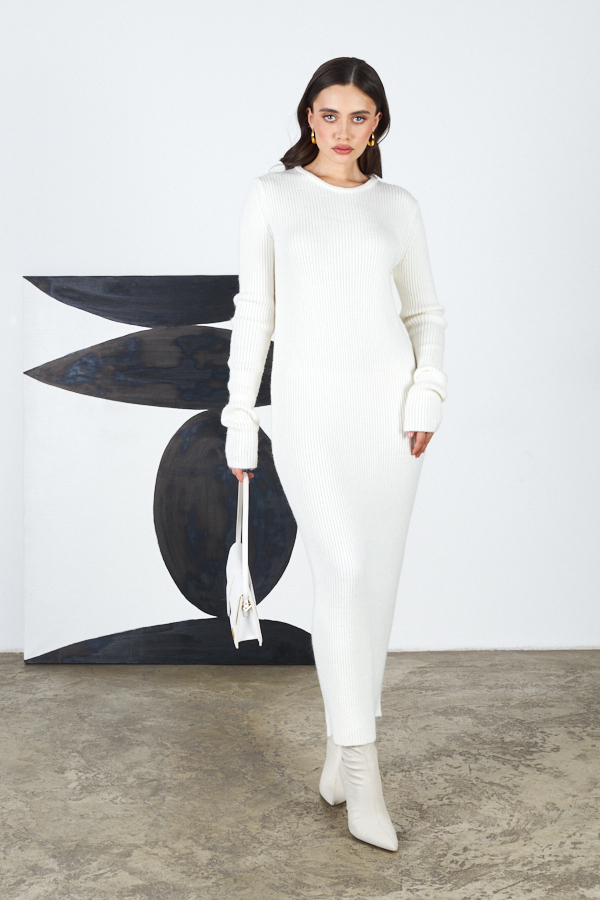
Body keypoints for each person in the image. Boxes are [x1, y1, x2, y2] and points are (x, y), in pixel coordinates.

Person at [221, 57, 448, 851]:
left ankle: (335, 754)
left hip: (389, 417)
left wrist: (428, 391)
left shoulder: (397, 205)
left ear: (377, 122)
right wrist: (240, 414)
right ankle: (362, 769)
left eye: (359, 116)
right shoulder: (273, 196)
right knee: (345, 571)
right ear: (307, 117)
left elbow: (424, 313)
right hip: (309, 414)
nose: (343, 130)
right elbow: (255, 312)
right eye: (329, 114)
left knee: (373, 592)